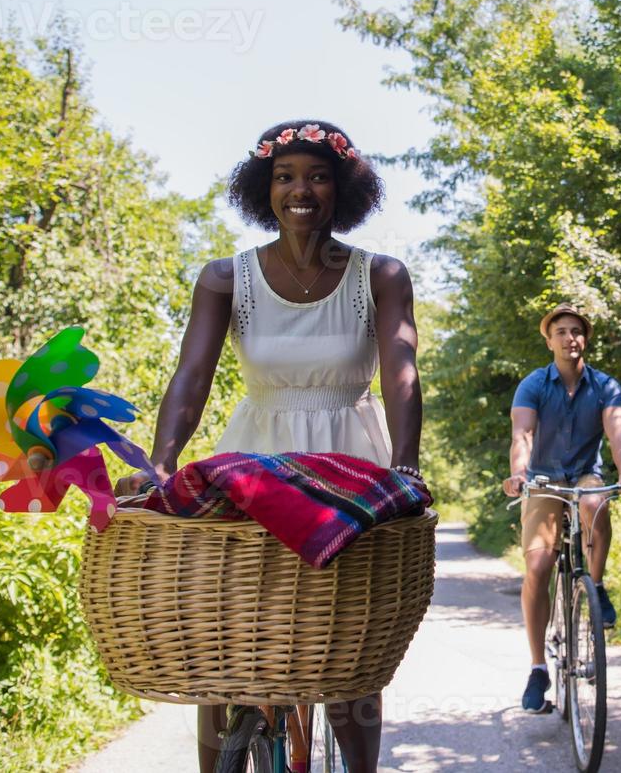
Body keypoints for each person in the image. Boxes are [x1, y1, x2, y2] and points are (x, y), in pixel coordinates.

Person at [115, 120, 423, 773]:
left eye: (316, 175)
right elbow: (192, 377)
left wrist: (406, 464)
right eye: (284, 177)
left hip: (349, 463)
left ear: (342, 188)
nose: (300, 189)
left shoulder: (381, 275)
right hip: (254, 459)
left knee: (343, 654)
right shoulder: (228, 278)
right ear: (265, 188)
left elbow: (400, 373)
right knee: (226, 644)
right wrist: (161, 463)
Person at [501, 304, 621, 713]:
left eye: (576, 331)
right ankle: (537, 668)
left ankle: (595, 587)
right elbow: (522, 433)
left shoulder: (605, 385)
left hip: (584, 474)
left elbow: (618, 431)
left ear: (586, 339)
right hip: (543, 478)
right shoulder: (533, 384)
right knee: (539, 565)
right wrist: (518, 474)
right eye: (561, 331)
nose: (570, 338)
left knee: (597, 501)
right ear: (549, 341)